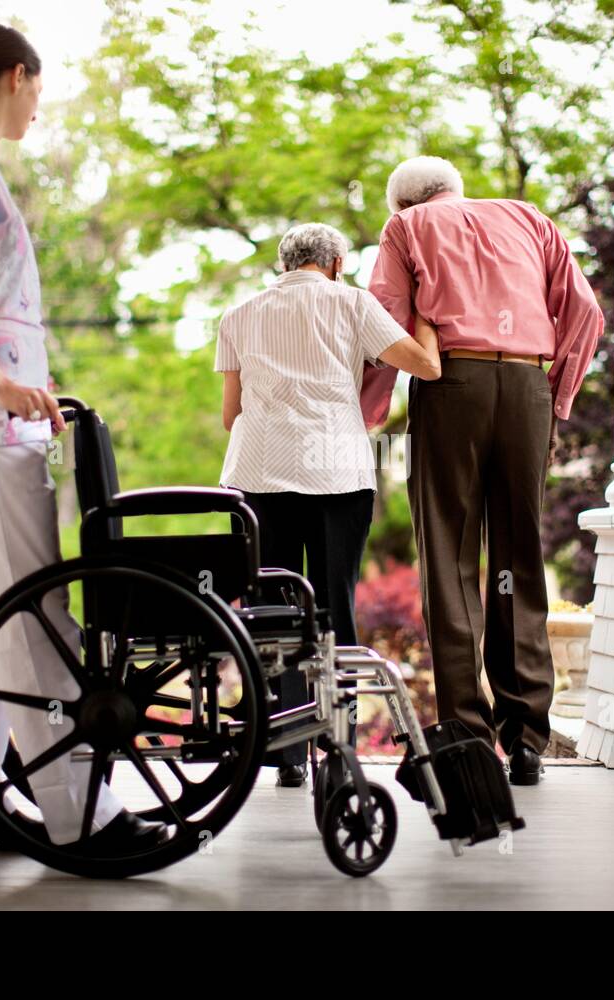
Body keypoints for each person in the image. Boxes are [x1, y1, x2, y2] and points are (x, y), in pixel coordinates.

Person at [0, 24, 169, 852]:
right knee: (34, 613)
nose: (39, 108)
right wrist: (3, 384)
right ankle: (80, 811)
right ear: (18, 76)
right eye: (39, 90)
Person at [361, 156, 604, 785]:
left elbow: (383, 319)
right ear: (455, 190)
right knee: (518, 557)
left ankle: (467, 736)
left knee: (449, 555)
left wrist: (368, 409)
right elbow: (584, 312)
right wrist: (557, 397)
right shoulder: (529, 218)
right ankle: (526, 740)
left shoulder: (406, 230)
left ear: (402, 206)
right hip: (527, 385)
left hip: (453, 386)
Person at [216, 223, 442, 786]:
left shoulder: (239, 315)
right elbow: (425, 365)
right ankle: (335, 752)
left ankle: (286, 754)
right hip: (335, 473)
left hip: (257, 475)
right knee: (332, 605)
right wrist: (430, 327)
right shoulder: (352, 304)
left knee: (274, 610)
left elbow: (230, 415)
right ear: (337, 263)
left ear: (284, 264)